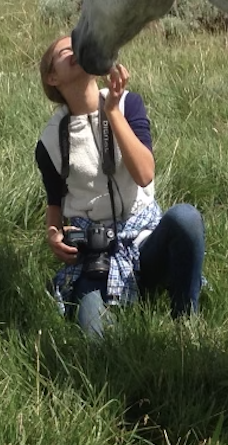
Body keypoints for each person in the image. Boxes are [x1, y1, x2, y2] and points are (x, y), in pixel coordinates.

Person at [35, 34, 204, 340]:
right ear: (52, 77)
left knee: (186, 219)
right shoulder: (50, 141)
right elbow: (54, 202)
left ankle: (185, 326)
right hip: (98, 256)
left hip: (144, 240)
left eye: (78, 44)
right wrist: (53, 235)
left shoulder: (128, 103)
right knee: (97, 339)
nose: (76, 49)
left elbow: (144, 174)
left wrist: (112, 111)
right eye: (65, 50)